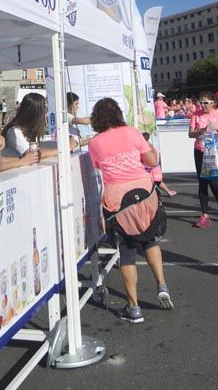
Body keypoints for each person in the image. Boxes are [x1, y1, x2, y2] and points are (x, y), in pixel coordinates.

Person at [87, 98, 172, 322]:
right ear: (117, 113)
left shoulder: (95, 143)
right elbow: (152, 161)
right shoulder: (132, 132)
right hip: (144, 194)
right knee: (150, 240)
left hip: (118, 202)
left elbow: (96, 167)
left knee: (127, 252)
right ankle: (162, 285)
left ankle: (134, 307)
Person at [188, 91, 218, 227]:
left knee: (214, 183)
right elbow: (190, 133)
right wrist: (200, 131)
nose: (202, 105)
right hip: (200, 150)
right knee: (202, 182)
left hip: (215, 152)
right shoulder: (196, 115)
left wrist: (216, 129)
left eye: (205, 103)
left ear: (213, 103)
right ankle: (205, 215)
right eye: (201, 102)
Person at [2, 92, 74, 156]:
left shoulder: (30, 130)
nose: (46, 114)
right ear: (35, 114)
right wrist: (65, 149)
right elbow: (32, 154)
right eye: (45, 109)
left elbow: (39, 148)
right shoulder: (14, 132)